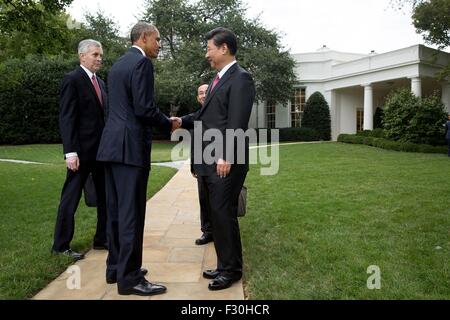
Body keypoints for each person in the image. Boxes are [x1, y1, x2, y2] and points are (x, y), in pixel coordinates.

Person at [96, 22, 179, 296]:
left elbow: (116, 108)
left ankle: (115, 269)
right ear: (143, 38)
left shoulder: (117, 64)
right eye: (157, 39)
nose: (159, 45)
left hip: (110, 148)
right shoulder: (142, 64)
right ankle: (130, 278)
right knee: (132, 214)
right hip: (130, 149)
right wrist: (168, 123)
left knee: (116, 212)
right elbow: (144, 109)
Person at [174, 27, 255, 291]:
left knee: (223, 214)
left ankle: (231, 270)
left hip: (225, 159)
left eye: (209, 48)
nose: (206, 53)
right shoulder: (218, 79)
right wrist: (181, 121)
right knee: (216, 215)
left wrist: (226, 155)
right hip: (211, 159)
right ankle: (224, 265)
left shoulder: (241, 78)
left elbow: (237, 121)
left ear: (224, 48)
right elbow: (206, 116)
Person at [51, 39, 108, 261]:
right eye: (95, 55)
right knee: (71, 198)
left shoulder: (101, 83)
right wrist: (70, 152)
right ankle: (60, 245)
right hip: (81, 154)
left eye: (100, 55)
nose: (99, 58)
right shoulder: (72, 79)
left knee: (105, 197)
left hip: (101, 153)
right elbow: (67, 118)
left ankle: (102, 239)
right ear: (82, 56)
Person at [192, 84, 213, 246]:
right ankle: (207, 231)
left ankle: (220, 232)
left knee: (217, 201)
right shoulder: (198, 115)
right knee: (204, 200)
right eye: (200, 93)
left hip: (217, 164)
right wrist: (193, 165)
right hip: (201, 165)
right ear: (197, 97)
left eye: (206, 92)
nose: (203, 95)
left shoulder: (218, 111)